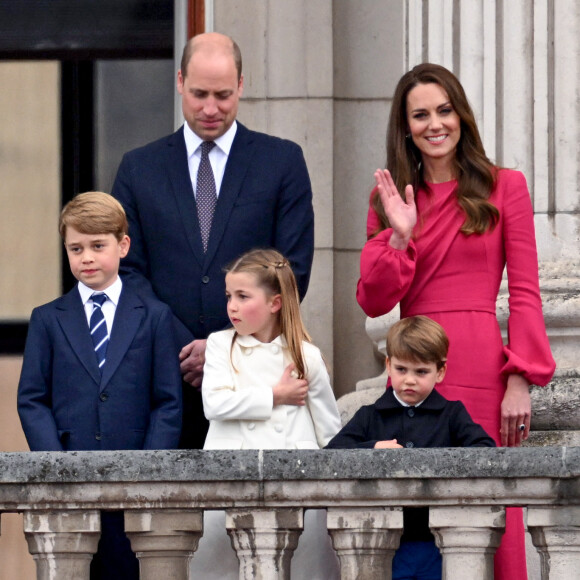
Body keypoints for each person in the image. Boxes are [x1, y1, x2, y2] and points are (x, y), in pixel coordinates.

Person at [356, 63, 556, 579]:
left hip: (483, 367)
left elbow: (527, 291)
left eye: (444, 110)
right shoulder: (390, 199)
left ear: (461, 116)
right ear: (405, 126)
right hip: (417, 369)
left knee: (494, 503)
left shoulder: (505, 186)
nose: (434, 124)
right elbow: (374, 301)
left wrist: (520, 377)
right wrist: (400, 235)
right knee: (420, 509)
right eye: (420, 115)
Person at [111, 32, 315, 450]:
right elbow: (125, 269)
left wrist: (223, 346)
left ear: (241, 85)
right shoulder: (138, 168)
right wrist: (183, 346)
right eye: (199, 93)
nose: (210, 108)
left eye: (223, 95)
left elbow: (291, 268)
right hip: (163, 380)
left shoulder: (282, 162)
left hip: (255, 379)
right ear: (180, 81)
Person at [17, 192, 182, 580]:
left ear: (123, 245)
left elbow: (168, 401)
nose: (86, 257)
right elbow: (32, 399)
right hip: (69, 479)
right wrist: (54, 463)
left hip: (135, 480)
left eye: (97, 246)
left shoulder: (155, 316)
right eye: (76, 248)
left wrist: (150, 466)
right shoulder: (47, 319)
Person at [192, 248, 341, 579]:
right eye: (229, 295)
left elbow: (330, 433)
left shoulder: (306, 356)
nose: (232, 305)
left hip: (296, 490)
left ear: (274, 303)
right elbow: (214, 404)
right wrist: (276, 395)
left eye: (243, 296)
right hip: (229, 485)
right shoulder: (220, 346)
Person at [326, 316, 496, 580]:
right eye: (401, 369)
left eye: (421, 372)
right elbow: (332, 454)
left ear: (440, 371)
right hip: (384, 542)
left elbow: (485, 450)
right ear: (388, 365)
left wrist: (440, 462)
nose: (409, 380)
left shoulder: (452, 415)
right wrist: (373, 448)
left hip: (438, 540)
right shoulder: (370, 415)